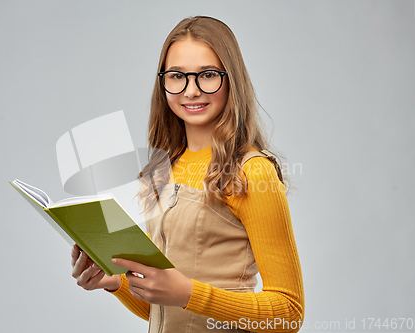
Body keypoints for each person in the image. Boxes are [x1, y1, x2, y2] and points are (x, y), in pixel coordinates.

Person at [71, 16, 304, 333]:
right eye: (177, 76)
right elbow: (165, 309)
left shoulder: (251, 170)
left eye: (208, 75)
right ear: (162, 82)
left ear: (231, 78)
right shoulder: (164, 167)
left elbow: (288, 314)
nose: (191, 91)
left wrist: (189, 293)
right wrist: (114, 281)